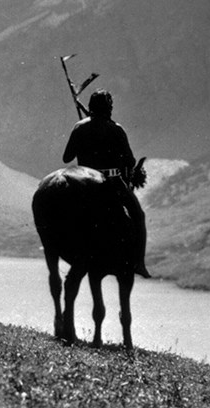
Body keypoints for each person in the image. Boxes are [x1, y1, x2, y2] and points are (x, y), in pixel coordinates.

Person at [63, 90, 151, 278]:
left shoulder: (79, 127)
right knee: (138, 215)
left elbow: (67, 157)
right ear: (108, 108)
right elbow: (130, 161)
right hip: (110, 182)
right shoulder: (116, 129)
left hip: (83, 182)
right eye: (110, 106)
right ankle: (139, 262)